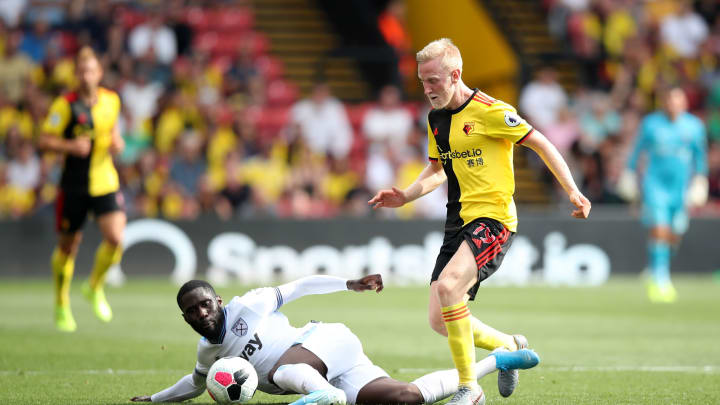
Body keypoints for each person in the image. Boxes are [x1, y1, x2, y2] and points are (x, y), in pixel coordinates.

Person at [368, 38, 591, 405]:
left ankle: (470, 389)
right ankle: (509, 347)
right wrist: (406, 195)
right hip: (457, 221)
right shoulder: (436, 119)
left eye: (434, 80)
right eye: (423, 81)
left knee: (449, 287)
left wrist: (572, 191)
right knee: (439, 320)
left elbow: (542, 143)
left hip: (495, 218)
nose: (427, 89)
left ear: (455, 75)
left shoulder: (491, 111)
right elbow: (438, 169)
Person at [129, 274, 539, 405]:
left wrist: (350, 283)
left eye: (205, 304)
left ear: (217, 301)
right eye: (193, 312)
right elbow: (195, 383)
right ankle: (499, 360)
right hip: (323, 370)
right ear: (186, 319)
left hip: (324, 342)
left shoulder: (248, 305)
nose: (202, 314)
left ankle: (328, 398)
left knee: (282, 369)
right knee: (406, 399)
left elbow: (301, 285)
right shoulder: (209, 351)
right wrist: (153, 399)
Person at [37, 46, 126, 332]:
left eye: (92, 70)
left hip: (104, 180)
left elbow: (112, 131)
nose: (87, 76)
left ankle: (94, 286)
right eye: (82, 71)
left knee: (115, 238)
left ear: (99, 73)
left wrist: (117, 142)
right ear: (77, 74)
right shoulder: (65, 105)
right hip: (73, 185)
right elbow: (44, 140)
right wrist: (69, 146)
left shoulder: (112, 100)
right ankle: (61, 302)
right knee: (68, 247)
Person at [617, 87, 708, 303]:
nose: (673, 105)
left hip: (680, 186)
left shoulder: (693, 126)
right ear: (664, 103)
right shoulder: (651, 123)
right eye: (669, 100)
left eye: (677, 100)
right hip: (655, 184)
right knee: (660, 227)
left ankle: (655, 267)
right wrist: (629, 173)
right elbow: (638, 149)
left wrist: (700, 179)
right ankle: (661, 278)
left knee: (675, 231)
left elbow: (699, 155)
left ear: (684, 103)